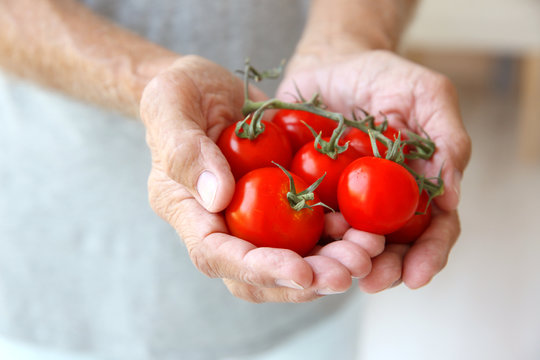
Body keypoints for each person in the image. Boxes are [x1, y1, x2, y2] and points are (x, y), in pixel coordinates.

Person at [0, 0, 472, 359]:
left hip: (299, 313)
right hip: (54, 277)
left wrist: (351, 38)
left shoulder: (311, 159)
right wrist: (150, 82)